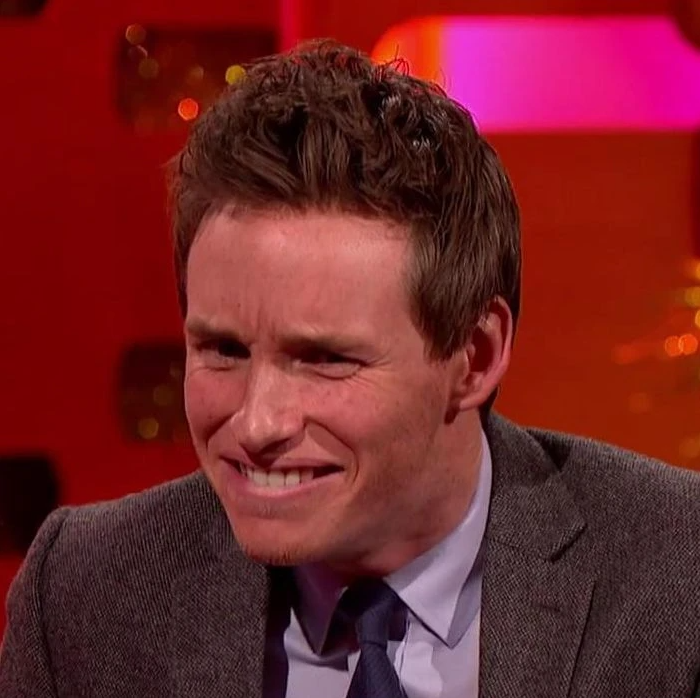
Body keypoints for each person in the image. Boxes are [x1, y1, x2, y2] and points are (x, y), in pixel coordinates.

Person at [1, 39, 699, 698]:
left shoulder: (677, 580)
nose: (257, 424)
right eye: (224, 351)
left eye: (324, 360)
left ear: (475, 356)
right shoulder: (86, 598)